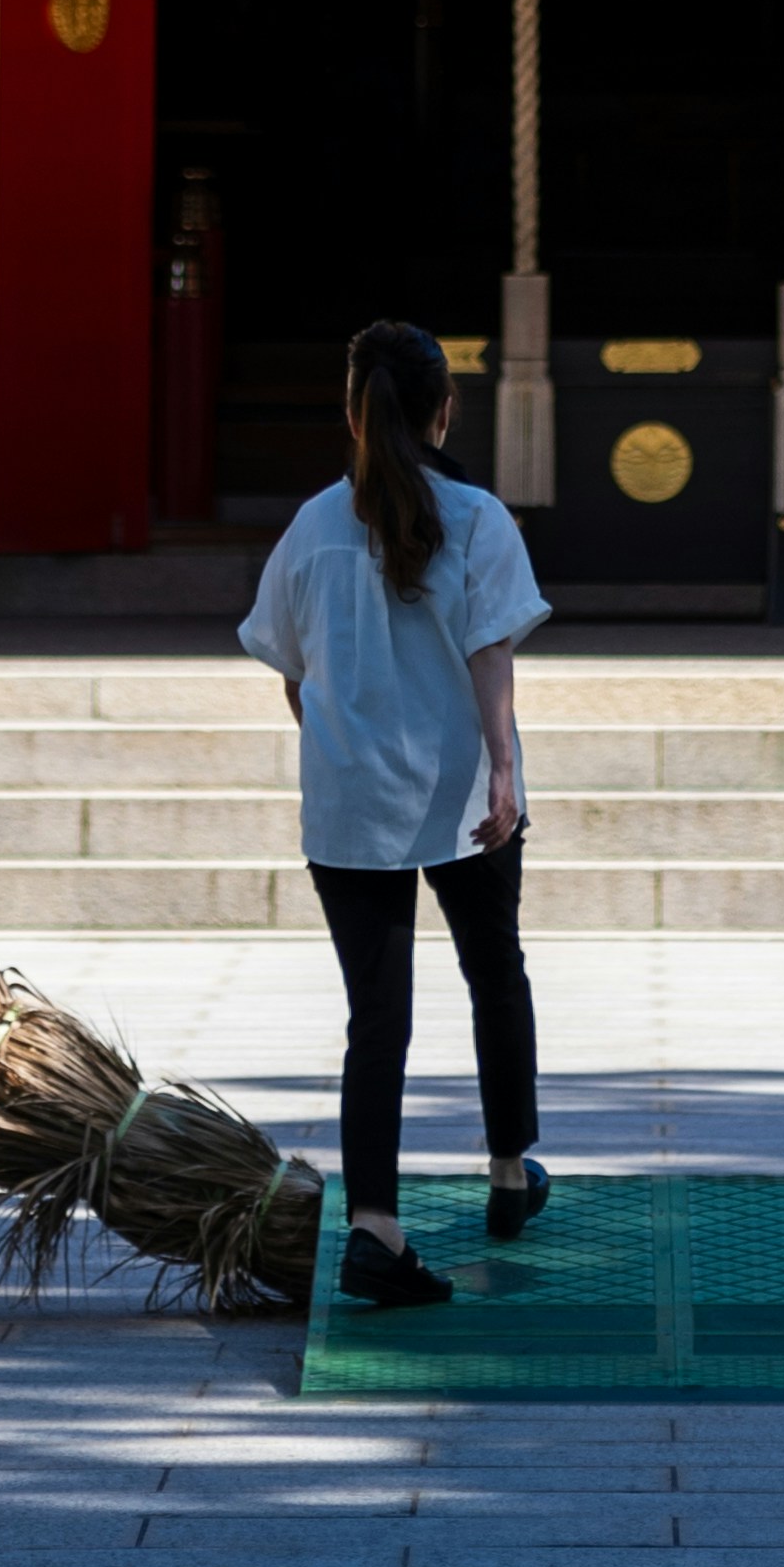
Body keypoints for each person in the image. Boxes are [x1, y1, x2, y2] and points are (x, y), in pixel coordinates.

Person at [240, 315, 551, 1313]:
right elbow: (489, 655)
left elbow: (290, 670)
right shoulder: (476, 518)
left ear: (350, 411)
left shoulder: (310, 527)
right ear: (443, 409)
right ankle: (508, 1173)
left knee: (376, 1017)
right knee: (492, 971)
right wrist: (502, 768)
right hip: (459, 787)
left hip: (348, 798)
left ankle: (373, 1224)